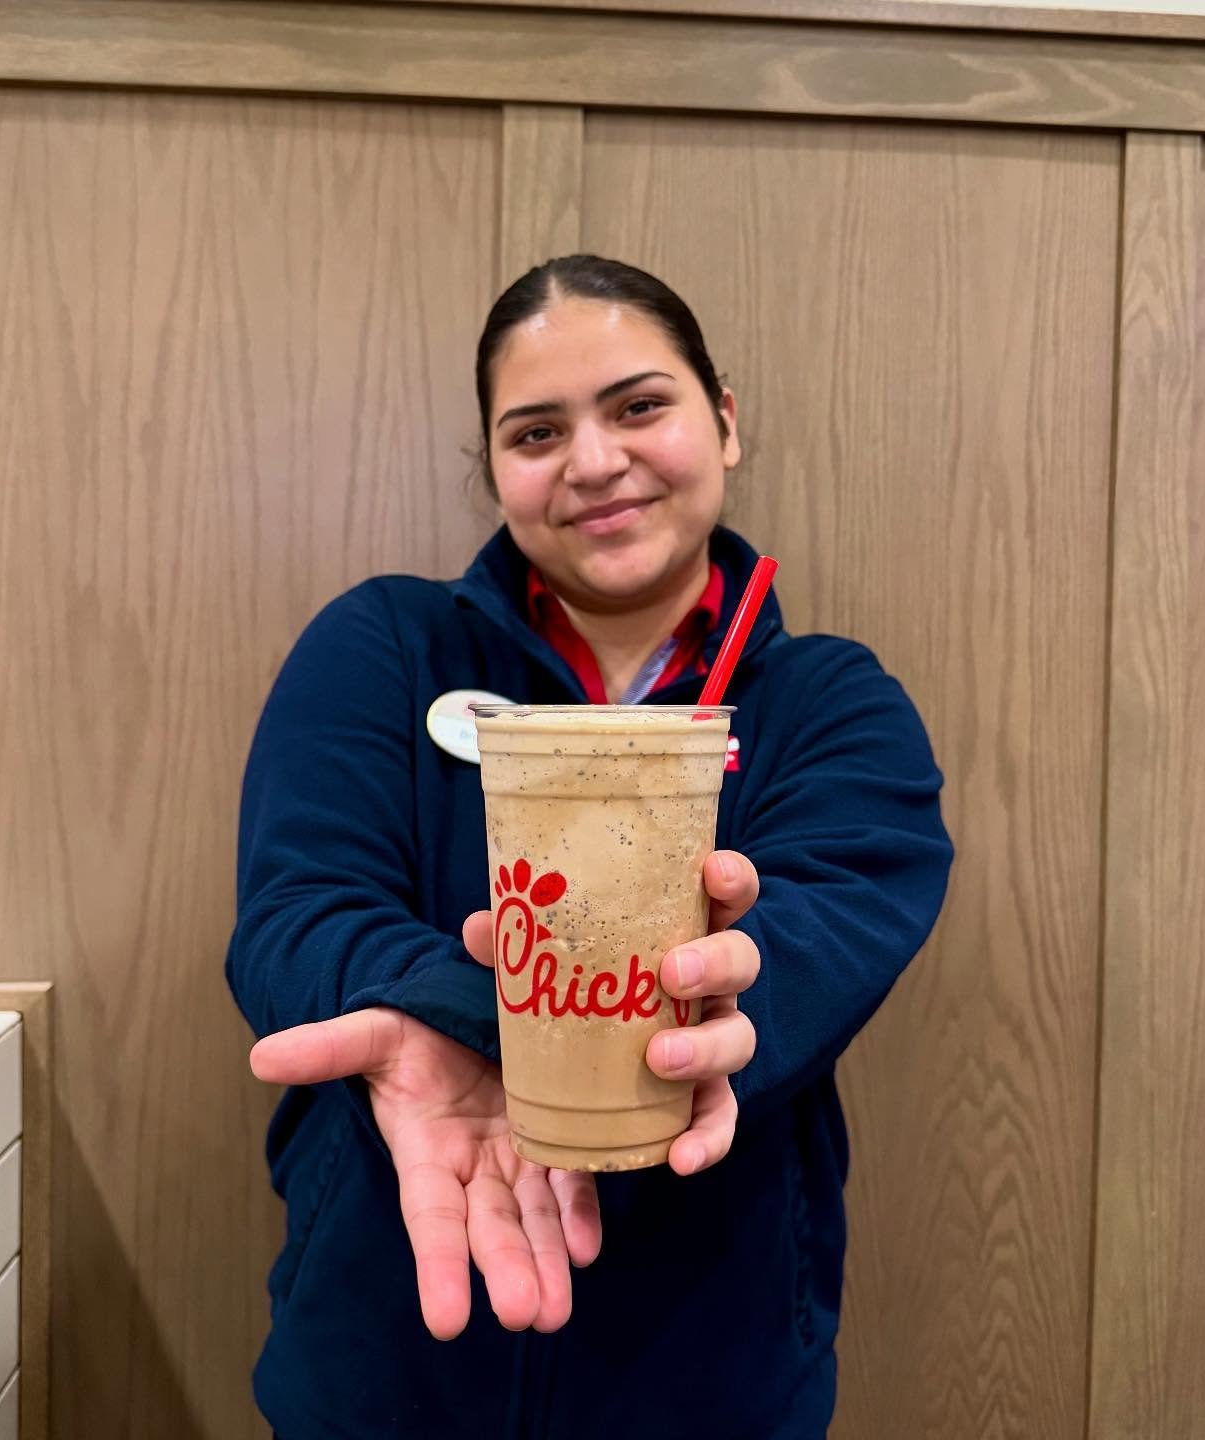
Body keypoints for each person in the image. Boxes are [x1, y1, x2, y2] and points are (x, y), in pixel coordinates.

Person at [226, 255, 954, 1440]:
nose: (595, 461)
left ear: (723, 421)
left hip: (713, 1380)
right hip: (385, 1362)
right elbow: (299, 917)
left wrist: (708, 996)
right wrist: (473, 1013)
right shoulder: (385, 647)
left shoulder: (831, 701)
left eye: (638, 406)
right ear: (494, 469)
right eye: (536, 431)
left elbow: (829, 926)